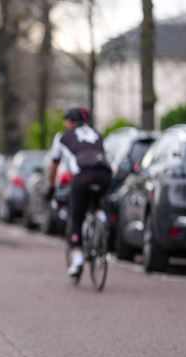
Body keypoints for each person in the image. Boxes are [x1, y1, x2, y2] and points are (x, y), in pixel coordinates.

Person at [46, 107, 111, 277]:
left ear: (70, 122)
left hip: (83, 176)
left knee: (76, 216)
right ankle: (102, 225)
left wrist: (51, 187)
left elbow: (54, 166)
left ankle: (77, 261)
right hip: (105, 175)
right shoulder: (97, 134)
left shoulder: (62, 137)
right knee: (96, 201)